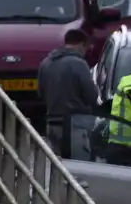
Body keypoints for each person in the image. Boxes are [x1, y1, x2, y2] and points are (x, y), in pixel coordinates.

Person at [38, 29, 100, 160]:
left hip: (52, 124)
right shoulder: (79, 64)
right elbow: (91, 95)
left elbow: (41, 93)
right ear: (82, 44)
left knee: (58, 168)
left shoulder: (45, 63)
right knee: (78, 169)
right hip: (75, 126)